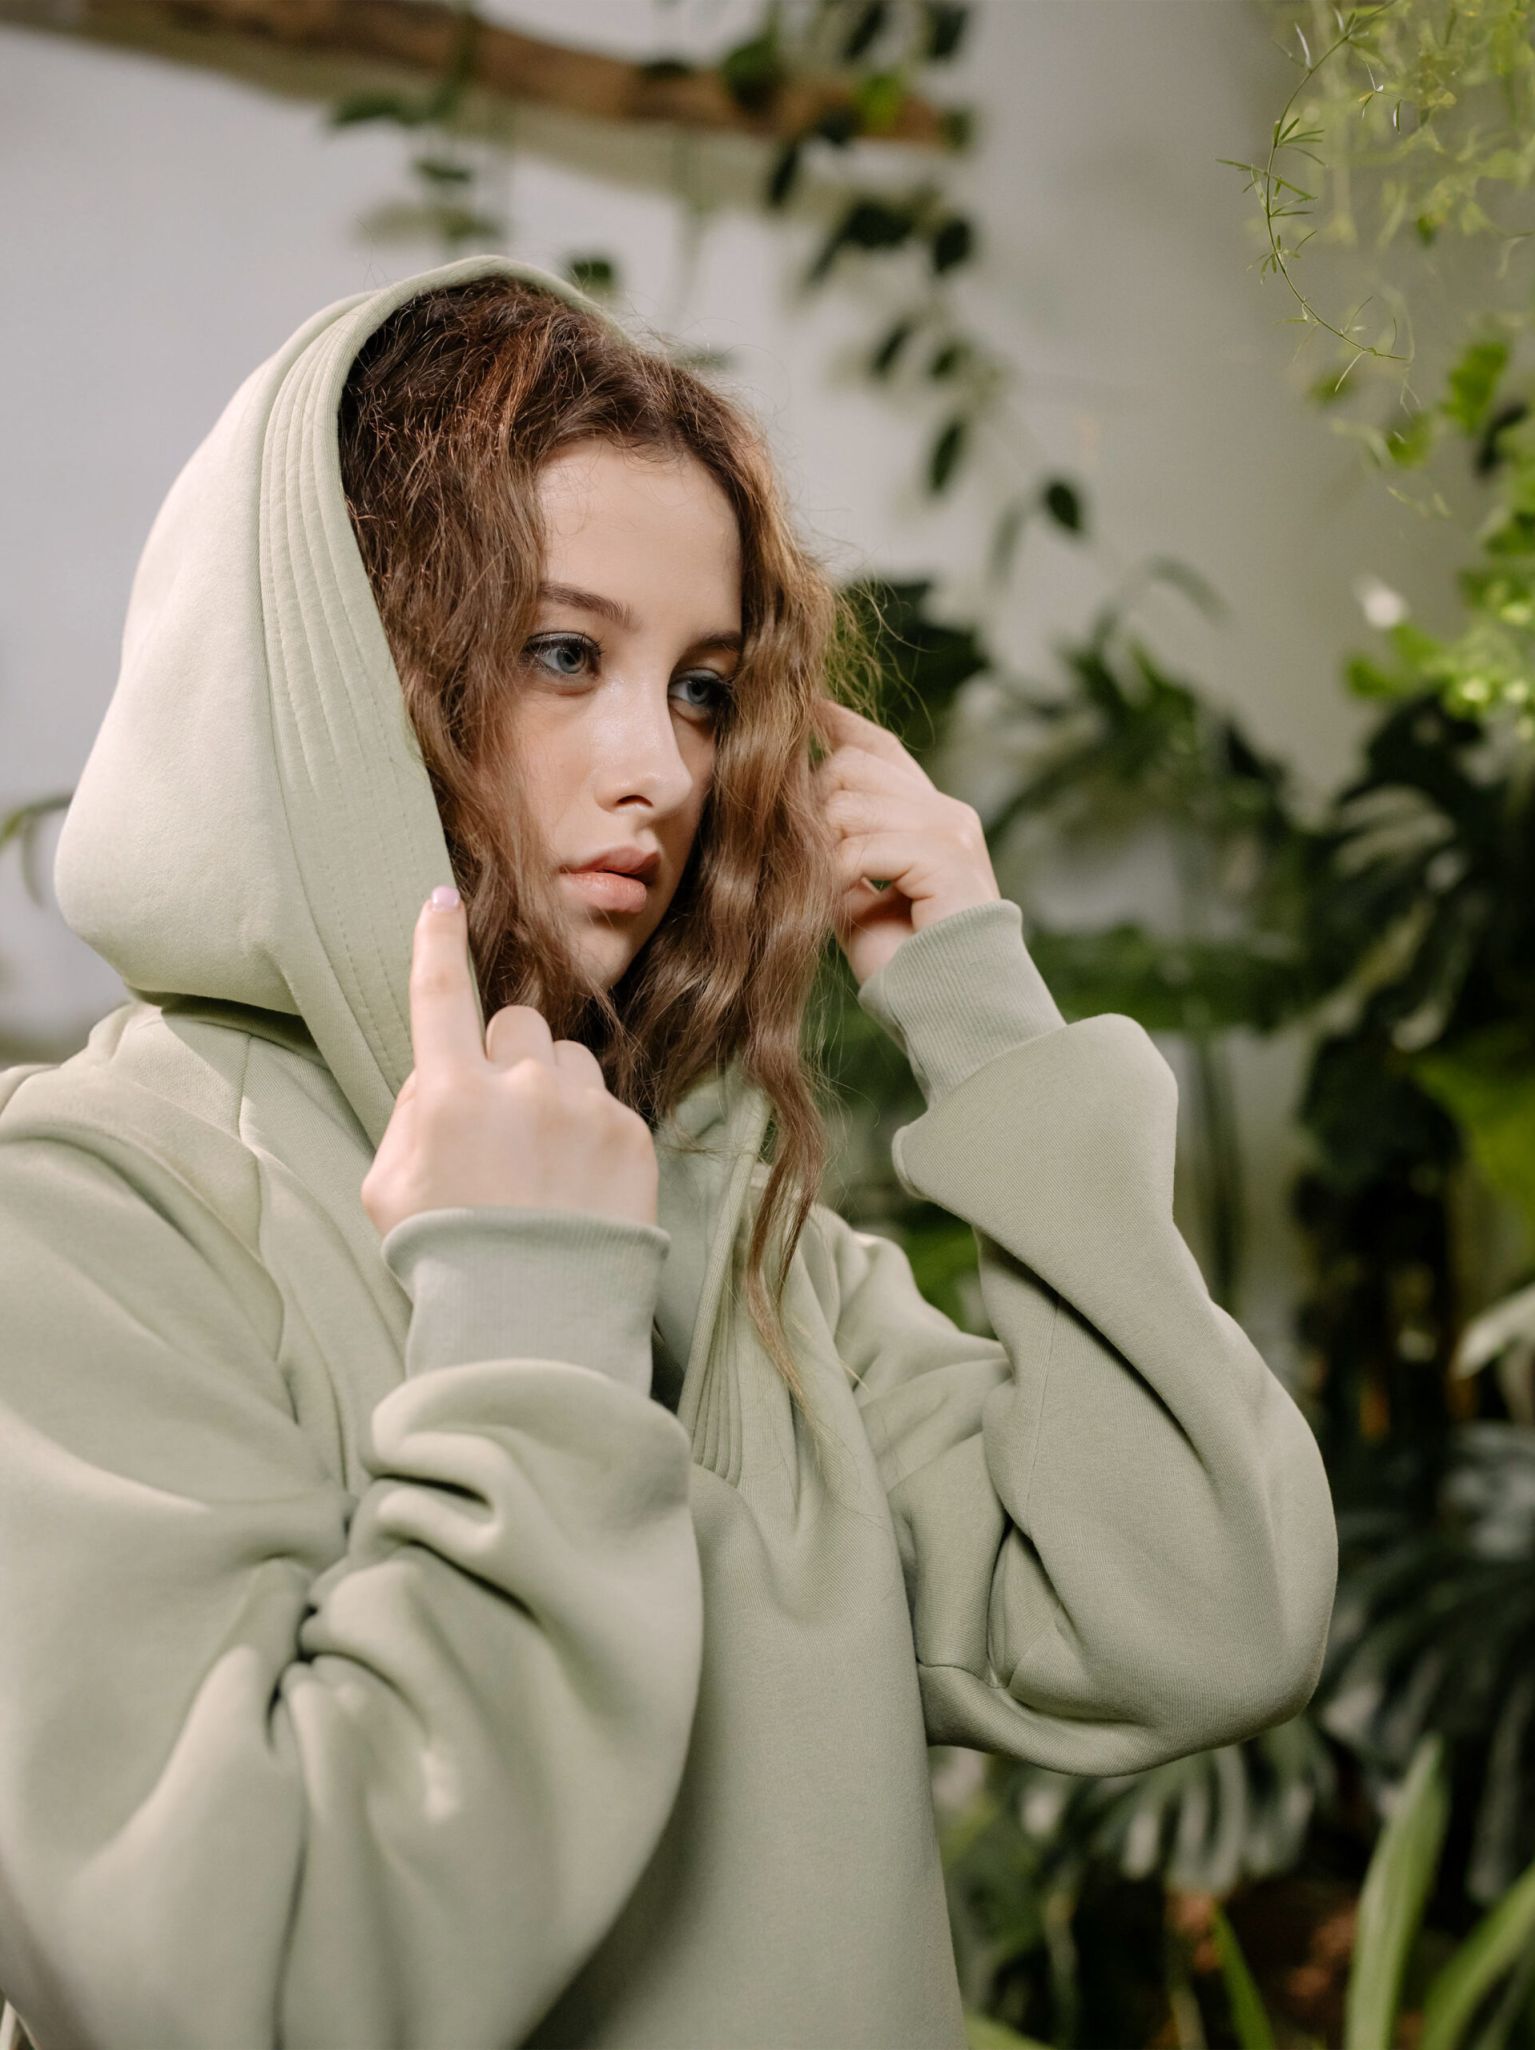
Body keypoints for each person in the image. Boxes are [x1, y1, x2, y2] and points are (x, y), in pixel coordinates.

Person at [0, 253, 1338, 2050]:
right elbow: (259, 1985)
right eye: (563, 654)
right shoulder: (89, 1217)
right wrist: (526, 1314)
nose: (665, 766)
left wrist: (981, 1013)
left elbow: (1206, 1618)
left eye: (703, 687)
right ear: (326, 671)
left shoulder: (737, 1226)